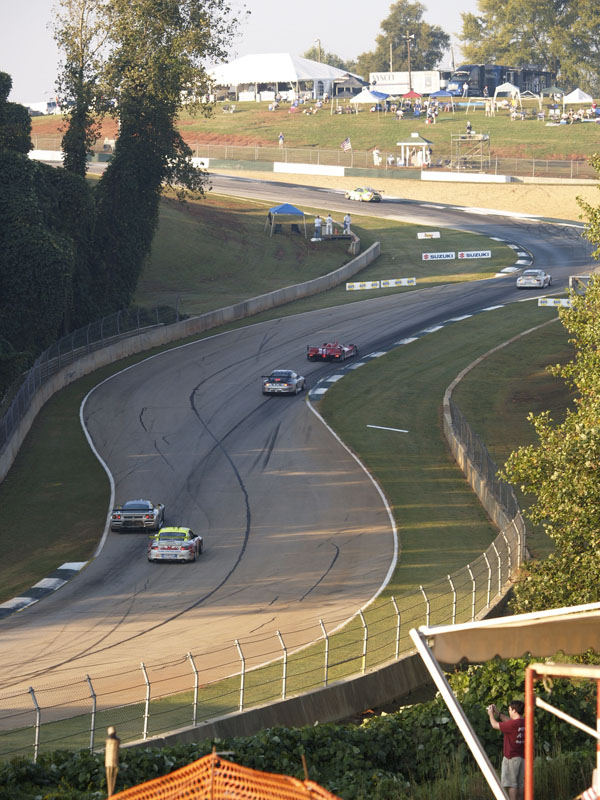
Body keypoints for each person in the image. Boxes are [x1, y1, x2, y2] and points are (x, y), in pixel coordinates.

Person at [487, 700, 525, 800]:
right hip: (522, 758)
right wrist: (498, 713)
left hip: (511, 758)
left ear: (514, 711)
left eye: (509, 710)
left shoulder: (512, 725)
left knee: (512, 785)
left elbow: (494, 725)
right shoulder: (524, 722)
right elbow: (509, 721)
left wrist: (491, 714)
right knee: (520, 784)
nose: (509, 712)